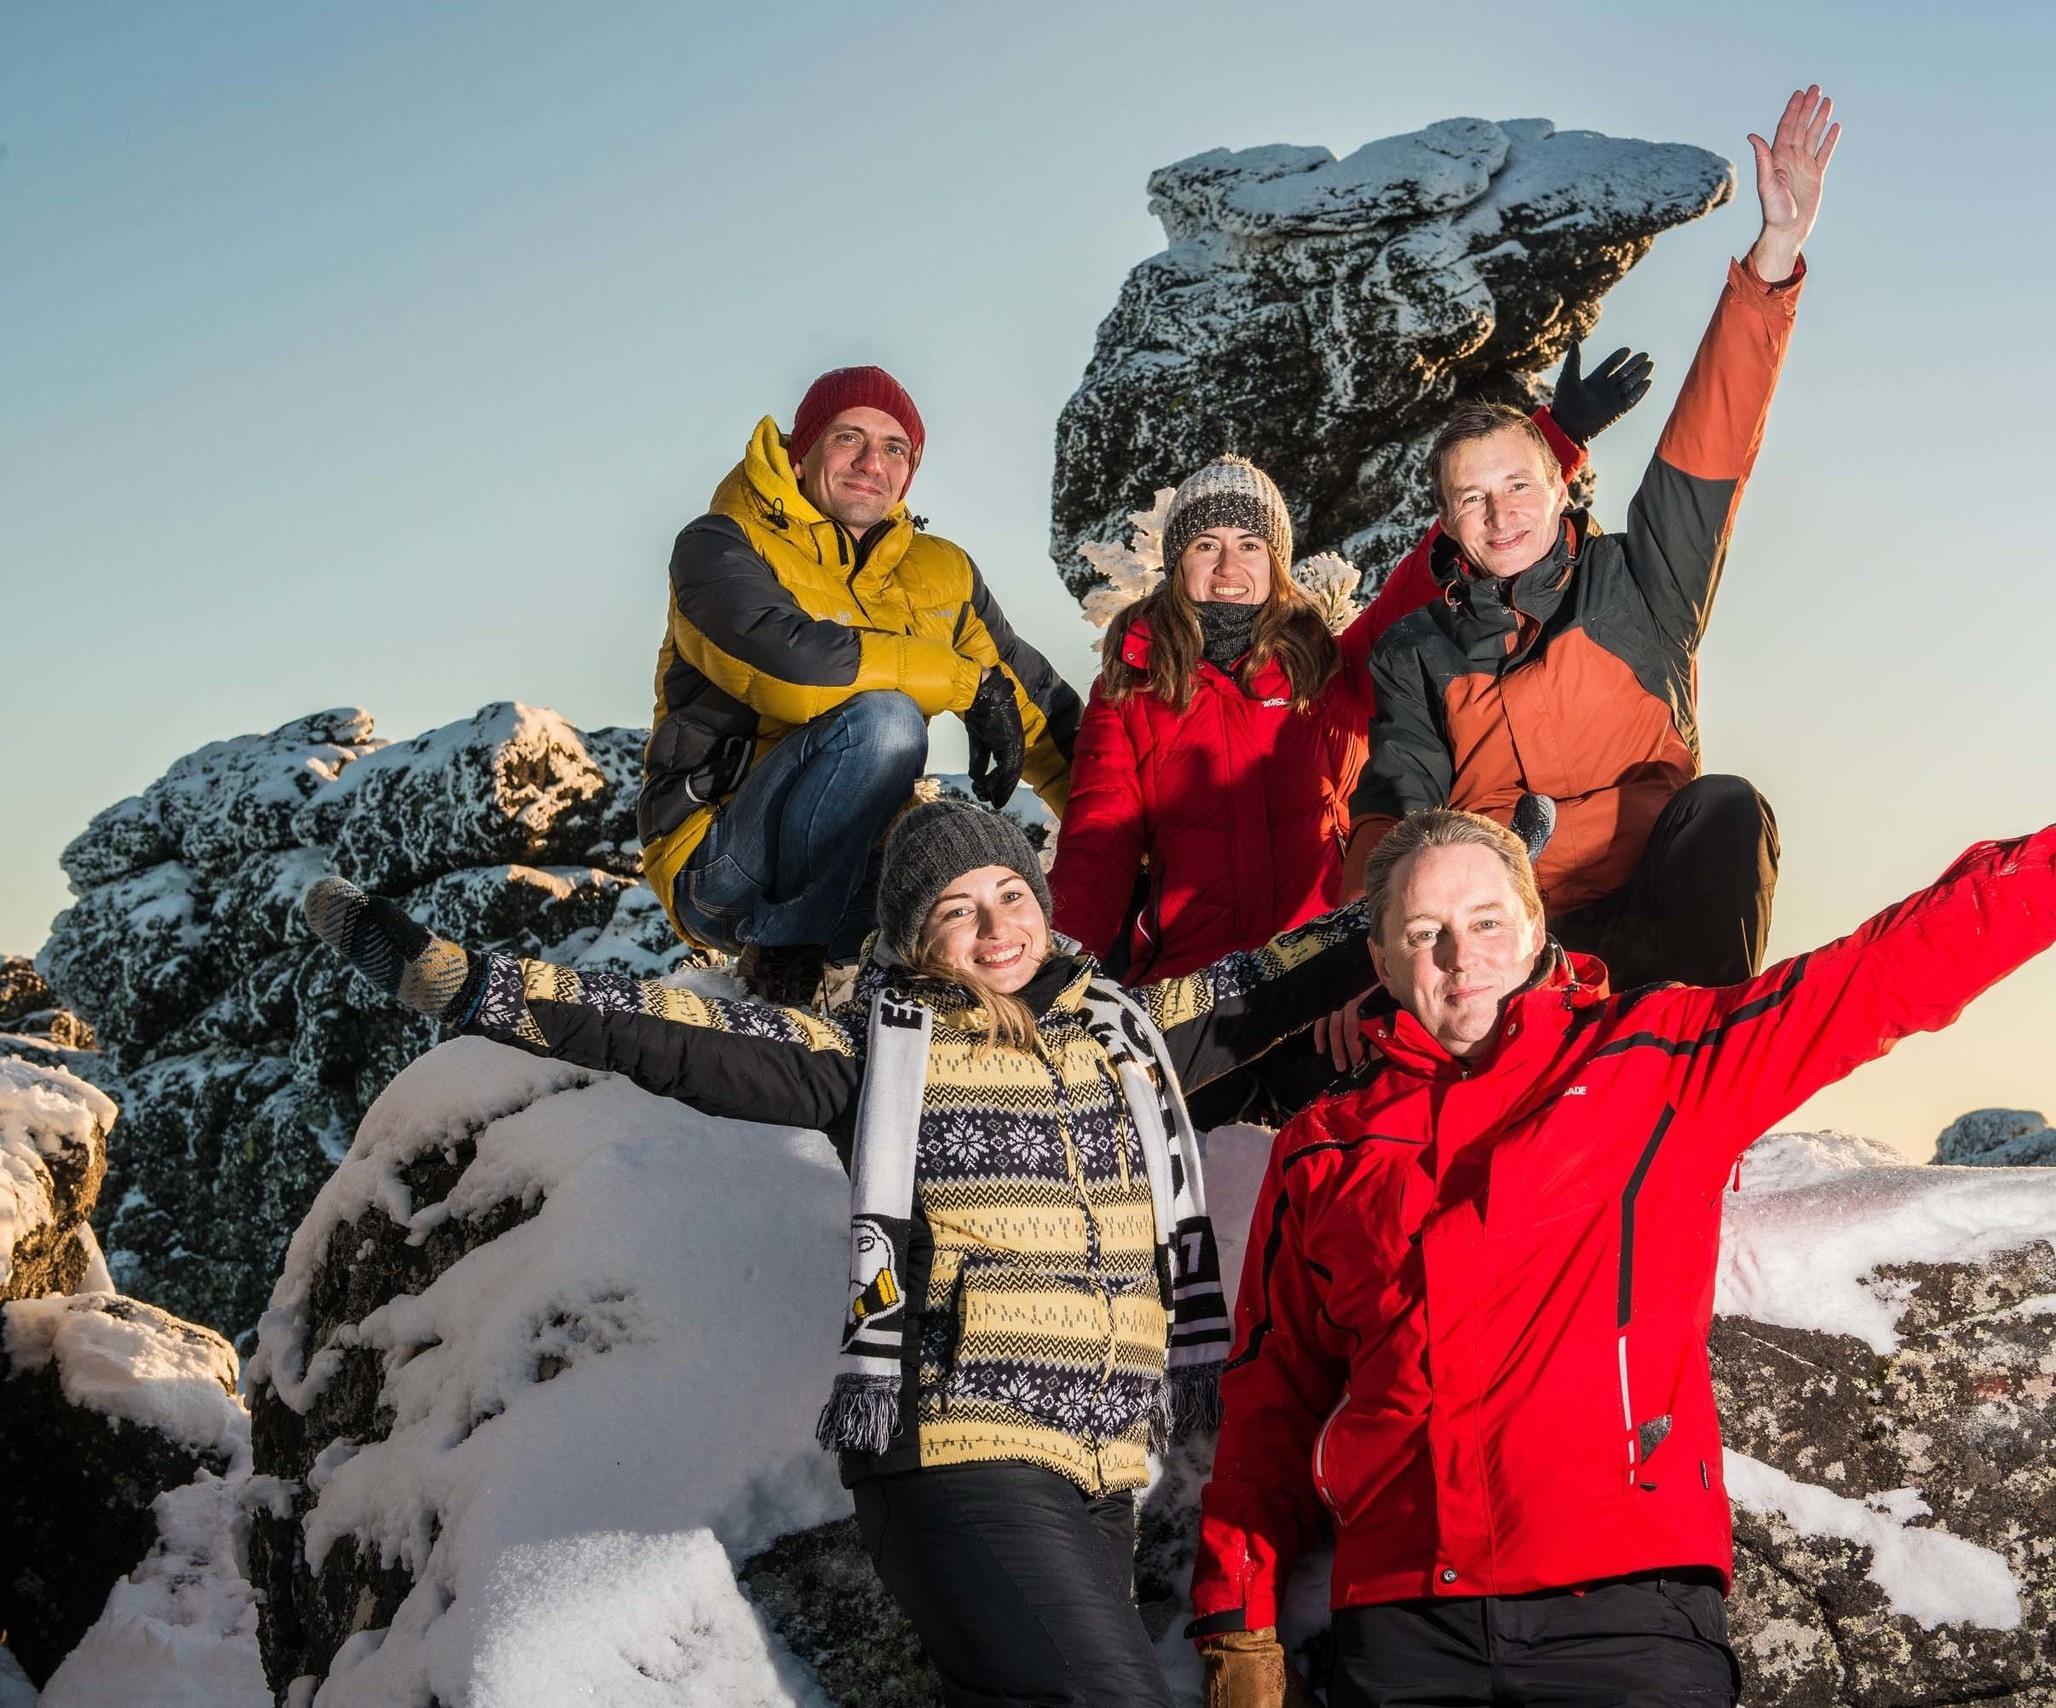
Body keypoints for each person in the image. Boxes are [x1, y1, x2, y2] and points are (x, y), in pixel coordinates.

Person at [1190, 726, 2056, 1707]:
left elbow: (1879, 975)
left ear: (1535, 926)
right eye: (1425, 934)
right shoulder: (1322, 1146)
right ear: (1382, 964)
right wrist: (1237, 1621)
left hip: (1625, 1616)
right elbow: (1270, 1395)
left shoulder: (1654, 1061)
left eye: (1486, 921)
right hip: (1404, 1622)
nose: (1461, 957)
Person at [299, 798, 1378, 1707]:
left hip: (1094, 1466)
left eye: (1008, 894)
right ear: (917, 941)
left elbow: (1284, 972)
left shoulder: (1129, 1036)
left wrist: (1452, 887)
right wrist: (461, 980)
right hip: (960, 1452)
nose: (994, 925)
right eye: (956, 911)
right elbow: (656, 1027)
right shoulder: (871, 1055)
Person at [1342, 86, 1842, 994]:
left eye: (1518, 486)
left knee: (1727, 806)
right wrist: (1364, 962)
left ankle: (1700, 1057)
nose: (1502, 515)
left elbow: (1707, 449)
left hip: (1655, 911)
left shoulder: (1638, 579)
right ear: (1448, 524)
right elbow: (1394, 815)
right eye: (1473, 499)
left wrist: (1772, 262)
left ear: (1559, 483)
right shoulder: (1417, 652)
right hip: (1518, 941)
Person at [1048, 367, 1649, 1120]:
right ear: (1177, 565)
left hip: (1325, 988)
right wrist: (1056, 970)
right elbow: (1098, 844)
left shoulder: (1327, 670)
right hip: (1195, 993)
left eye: (1250, 545)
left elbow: (1423, 572)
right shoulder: (1131, 692)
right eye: (1206, 544)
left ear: (1276, 563)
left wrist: (1555, 437)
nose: (1229, 568)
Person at [637, 365, 1083, 1008]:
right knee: (887, 723)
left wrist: (1132, 837)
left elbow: (1038, 708)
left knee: (961, 850)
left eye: (895, 448)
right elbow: (793, 671)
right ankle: (787, 968)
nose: (872, 461)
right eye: (848, 437)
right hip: (724, 870)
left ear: (909, 472)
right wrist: (963, 684)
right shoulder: (720, 543)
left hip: (857, 872)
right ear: (801, 453)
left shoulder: (941, 571)